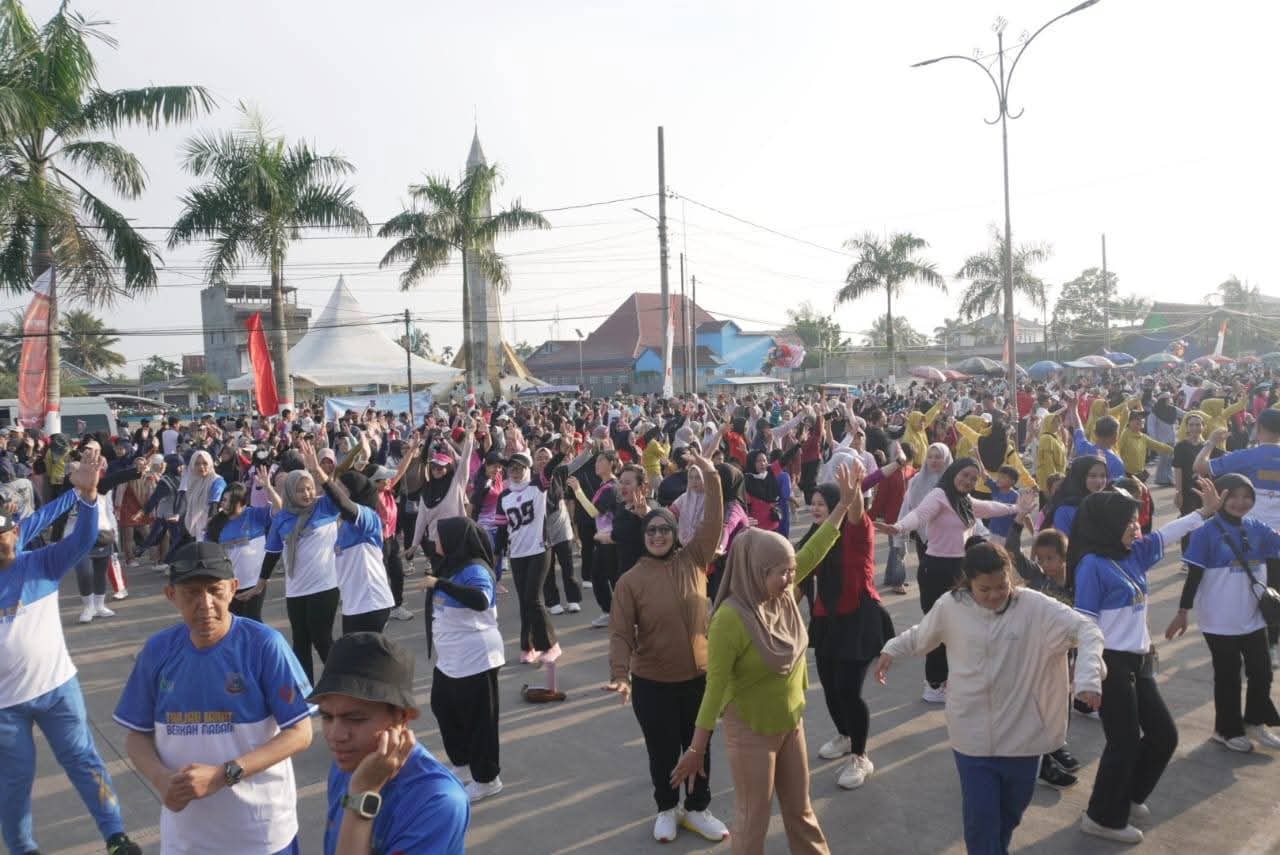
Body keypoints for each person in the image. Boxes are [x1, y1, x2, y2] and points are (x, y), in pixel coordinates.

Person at [671, 463, 861, 855]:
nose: (790, 579)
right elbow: (715, 688)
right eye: (780, 573)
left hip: (791, 723)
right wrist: (695, 749)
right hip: (752, 732)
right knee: (753, 821)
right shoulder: (730, 619)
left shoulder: (782, 595)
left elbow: (813, 550)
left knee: (801, 812)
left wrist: (842, 506)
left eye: (791, 571)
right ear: (756, 571)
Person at [876, 542, 1105, 855]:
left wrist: (1088, 678)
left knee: (1009, 816)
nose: (996, 595)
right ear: (968, 583)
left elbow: (1087, 630)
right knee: (981, 821)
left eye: (1002, 586)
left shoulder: (1034, 607)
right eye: (985, 589)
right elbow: (920, 635)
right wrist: (891, 649)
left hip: (1024, 737)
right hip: (970, 737)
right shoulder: (950, 606)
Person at [113, 541, 314, 855]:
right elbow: (136, 735)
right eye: (191, 593)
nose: (205, 604)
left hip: (260, 836)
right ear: (171, 595)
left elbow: (300, 733)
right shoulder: (157, 651)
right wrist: (160, 778)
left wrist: (224, 774)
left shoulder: (264, 646)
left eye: (214, 590)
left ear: (233, 589)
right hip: (186, 839)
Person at [0, 446, 145, 855]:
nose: (5, 539)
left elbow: (82, 540)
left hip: (57, 689)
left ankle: (115, 836)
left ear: (17, 529)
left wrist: (88, 497)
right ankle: (22, 848)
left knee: (84, 762)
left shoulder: (40, 564)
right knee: (13, 782)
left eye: (8, 530)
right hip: (4, 708)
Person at [1070, 479, 1221, 844]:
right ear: (1107, 524)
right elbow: (1084, 625)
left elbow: (1168, 533)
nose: (1137, 527)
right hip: (1109, 664)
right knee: (1122, 742)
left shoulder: (1134, 553)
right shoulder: (1092, 565)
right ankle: (1102, 818)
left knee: (1164, 735)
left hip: (1138, 661)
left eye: (1137, 520)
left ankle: (1128, 795)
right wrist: (1087, 680)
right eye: (1129, 522)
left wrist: (1205, 512)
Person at [604, 448, 730, 844]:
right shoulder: (630, 581)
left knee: (699, 750)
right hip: (652, 683)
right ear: (644, 538)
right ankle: (666, 807)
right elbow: (621, 632)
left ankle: (697, 808)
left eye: (665, 530)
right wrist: (621, 675)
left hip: (698, 678)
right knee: (661, 751)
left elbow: (714, 519)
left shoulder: (694, 558)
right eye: (651, 531)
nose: (658, 535)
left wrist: (709, 475)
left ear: (675, 534)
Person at [876, 458, 1032, 703]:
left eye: (973, 478)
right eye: (965, 475)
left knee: (959, 625)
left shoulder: (965, 502)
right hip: (936, 570)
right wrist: (898, 527)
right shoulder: (939, 495)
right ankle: (934, 684)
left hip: (960, 569)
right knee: (937, 627)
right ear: (954, 472)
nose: (968, 481)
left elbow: (989, 507)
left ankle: (947, 679)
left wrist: (1017, 508)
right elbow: (919, 514)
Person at [311, 633, 470, 855]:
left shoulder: (437, 801)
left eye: (355, 719)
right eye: (327, 717)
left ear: (402, 718)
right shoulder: (347, 763)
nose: (336, 735)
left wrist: (362, 796)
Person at [1166, 473, 1280, 752]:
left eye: (1247, 496)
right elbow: (1194, 576)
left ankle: (1254, 722)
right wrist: (1183, 611)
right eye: (1233, 496)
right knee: (1228, 677)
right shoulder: (1205, 532)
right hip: (1219, 621)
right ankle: (1225, 730)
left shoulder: (1258, 528)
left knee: (1262, 672)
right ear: (1220, 497)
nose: (1241, 502)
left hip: (1253, 618)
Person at [804, 475, 895, 791]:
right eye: (813, 503)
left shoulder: (858, 531)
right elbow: (798, 568)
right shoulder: (817, 533)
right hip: (826, 621)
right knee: (829, 687)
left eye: (822, 504)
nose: (815, 509)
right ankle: (845, 735)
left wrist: (851, 493)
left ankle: (860, 756)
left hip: (858, 620)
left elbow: (855, 512)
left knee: (848, 691)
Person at [424, 516, 507, 802]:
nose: (435, 542)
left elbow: (481, 599)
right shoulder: (452, 564)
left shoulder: (474, 569)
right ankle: (462, 764)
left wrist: (441, 584)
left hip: (476, 656)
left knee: (479, 720)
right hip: (451, 657)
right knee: (443, 707)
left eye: (439, 537)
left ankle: (487, 778)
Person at [249, 456, 343, 683]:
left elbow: (338, 495)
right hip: (296, 590)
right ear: (290, 492)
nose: (307, 494)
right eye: (300, 490)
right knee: (300, 641)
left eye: (310, 488)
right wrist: (261, 582)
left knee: (322, 638)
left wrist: (318, 470)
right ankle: (305, 689)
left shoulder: (325, 507)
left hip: (325, 586)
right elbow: (272, 552)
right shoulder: (282, 518)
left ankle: (337, 685)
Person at [1197, 411, 1280, 663]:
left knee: (1251, 592)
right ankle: (1273, 645)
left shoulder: (1247, 456)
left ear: (1259, 427)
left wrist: (1211, 442)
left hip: (1249, 539)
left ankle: (1255, 643)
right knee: (1276, 590)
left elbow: (1201, 467)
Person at [498, 451, 562, 665]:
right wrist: (495, 559)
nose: (516, 472)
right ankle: (528, 646)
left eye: (520, 468)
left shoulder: (537, 486)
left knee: (533, 599)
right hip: (517, 553)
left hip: (539, 549)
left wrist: (561, 451)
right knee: (524, 602)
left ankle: (551, 645)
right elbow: (500, 531)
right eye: (512, 468)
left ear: (528, 469)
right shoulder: (504, 496)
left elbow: (550, 469)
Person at [208, 478, 276, 622]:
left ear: (241, 502)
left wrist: (268, 487)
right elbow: (209, 554)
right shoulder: (215, 524)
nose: (223, 504)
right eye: (223, 500)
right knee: (234, 623)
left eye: (228, 500)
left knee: (254, 621)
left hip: (255, 584)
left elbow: (280, 509)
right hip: (230, 585)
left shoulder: (255, 515)